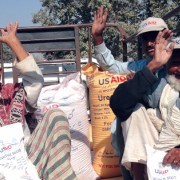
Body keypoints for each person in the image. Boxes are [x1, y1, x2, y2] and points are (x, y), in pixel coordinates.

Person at [92, 5, 172, 179]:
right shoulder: (140, 67)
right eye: (145, 38)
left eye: (155, 37)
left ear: (166, 37)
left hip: (174, 131)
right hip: (148, 132)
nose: (150, 43)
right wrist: (98, 37)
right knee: (132, 113)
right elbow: (111, 65)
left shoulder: (175, 62)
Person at [0, 22, 77, 180]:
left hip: (28, 159)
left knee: (56, 116)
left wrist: (13, 42)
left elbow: (35, 81)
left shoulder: (11, 94)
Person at [110, 32, 180, 179]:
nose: (179, 69)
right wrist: (152, 67)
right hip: (162, 148)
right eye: (175, 63)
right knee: (134, 112)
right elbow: (119, 105)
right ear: (166, 66)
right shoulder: (162, 87)